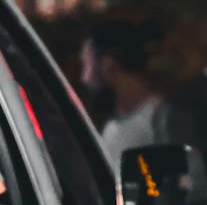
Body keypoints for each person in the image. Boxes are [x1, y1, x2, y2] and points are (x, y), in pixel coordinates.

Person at [81, 19, 192, 163]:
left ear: (109, 66)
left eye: (87, 65)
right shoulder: (112, 129)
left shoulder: (165, 121)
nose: (85, 78)